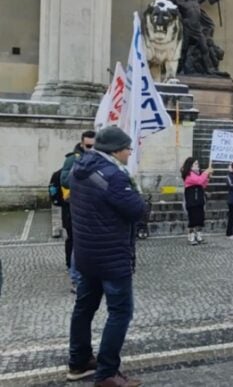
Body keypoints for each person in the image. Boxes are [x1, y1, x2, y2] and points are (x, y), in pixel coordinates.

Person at [66, 126, 145, 386]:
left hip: (86, 254)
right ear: (115, 151)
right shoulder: (114, 176)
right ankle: (107, 373)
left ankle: (78, 361)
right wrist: (135, 188)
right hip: (111, 256)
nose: (130, 153)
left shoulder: (79, 168)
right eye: (127, 149)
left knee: (84, 307)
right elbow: (137, 210)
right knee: (121, 311)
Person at [60, 130, 96, 292]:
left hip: (95, 206)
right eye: (88, 146)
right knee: (78, 242)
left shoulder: (99, 158)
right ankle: (76, 278)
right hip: (77, 206)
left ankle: (89, 276)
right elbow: (65, 180)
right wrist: (83, 172)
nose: (91, 149)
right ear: (82, 144)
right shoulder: (73, 159)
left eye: (95, 146)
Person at [181, 157, 213, 245]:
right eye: (195, 164)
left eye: (197, 164)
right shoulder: (188, 175)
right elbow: (198, 181)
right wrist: (206, 172)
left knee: (200, 218)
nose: (197, 165)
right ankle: (191, 236)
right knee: (193, 219)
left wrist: (207, 177)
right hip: (191, 200)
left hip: (199, 199)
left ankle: (199, 235)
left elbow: (203, 184)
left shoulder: (199, 174)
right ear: (190, 165)